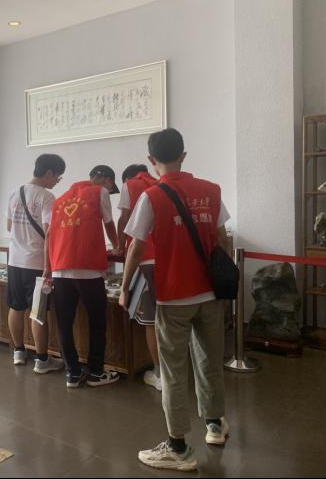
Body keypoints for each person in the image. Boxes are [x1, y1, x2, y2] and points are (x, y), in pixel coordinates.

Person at [120, 128, 231, 472]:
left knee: (173, 371)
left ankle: (179, 448)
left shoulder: (151, 196)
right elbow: (223, 237)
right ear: (183, 155)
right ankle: (215, 425)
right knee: (209, 360)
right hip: (210, 293)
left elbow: (136, 247)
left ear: (151, 160)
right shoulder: (211, 190)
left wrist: (124, 287)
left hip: (173, 296)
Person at [43, 165, 121, 388]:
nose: (109, 191)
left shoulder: (60, 199)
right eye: (110, 186)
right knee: (97, 321)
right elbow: (109, 224)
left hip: (60, 268)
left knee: (64, 323)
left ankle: (73, 374)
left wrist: (48, 267)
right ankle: (96, 373)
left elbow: (49, 235)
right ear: (106, 180)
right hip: (88, 268)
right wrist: (117, 246)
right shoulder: (99, 192)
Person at [6, 154, 66, 373]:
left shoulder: (15, 193)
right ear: (49, 173)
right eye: (58, 177)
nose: (57, 181)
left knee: (16, 307)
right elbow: (50, 232)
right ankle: (41, 360)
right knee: (37, 311)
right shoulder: (47, 197)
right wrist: (48, 266)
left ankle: (19, 352)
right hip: (37, 262)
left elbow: (8, 226)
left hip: (14, 260)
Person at [116, 164, 163, 392]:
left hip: (144, 260)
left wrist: (119, 246)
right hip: (169, 260)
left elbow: (124, 219)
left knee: (151, 322)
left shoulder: (130, 185)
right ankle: (176, 369)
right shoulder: (162, 185)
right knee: (169, 318)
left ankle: (159, 374)